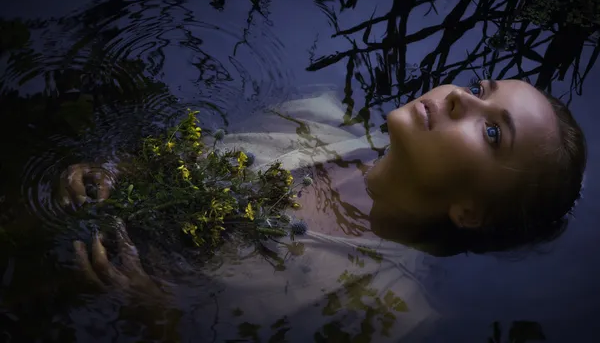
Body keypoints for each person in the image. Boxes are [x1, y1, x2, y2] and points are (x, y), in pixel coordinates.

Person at [57, 78, 586, 341]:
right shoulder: (312, 114)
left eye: (492, 132)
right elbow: (168, 163)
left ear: (468, 211)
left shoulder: (390, 312)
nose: (457, 98)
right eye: (478, 88)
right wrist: (113, 173)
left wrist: (161, 320)